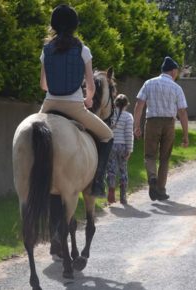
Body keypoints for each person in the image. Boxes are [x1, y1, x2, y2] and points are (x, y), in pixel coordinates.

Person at [39, 4, 113, 197]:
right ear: (74, 25)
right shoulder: (83, 50)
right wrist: (88, 100)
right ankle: (97, 182)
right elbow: (90, 86)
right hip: (74, 107)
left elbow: (43, 85)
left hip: (48, 105)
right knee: (107, 136)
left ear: (53, 25)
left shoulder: (46, 50)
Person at [134, 56, 189, 201]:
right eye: (176, 71)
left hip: (152, 122)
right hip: (169, 124)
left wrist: (136, 126)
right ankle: (161, 190)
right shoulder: (176, 88)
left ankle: (152, 177)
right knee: (165, 158)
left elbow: (139, 104)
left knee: (150, 155)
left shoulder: (149, 83)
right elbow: (182, 112)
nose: (176, 74)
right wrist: (185, 135)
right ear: (172, 71)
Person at [106, 94, 134, 204]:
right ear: (126, 105)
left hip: (111, 145)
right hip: (122, 146)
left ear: (115, 104)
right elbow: (128, 134)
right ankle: (123, 197)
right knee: (123, 170)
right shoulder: (128, 117)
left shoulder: (110, 115)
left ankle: (111, 189)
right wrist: (129, 150)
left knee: (111, 169)